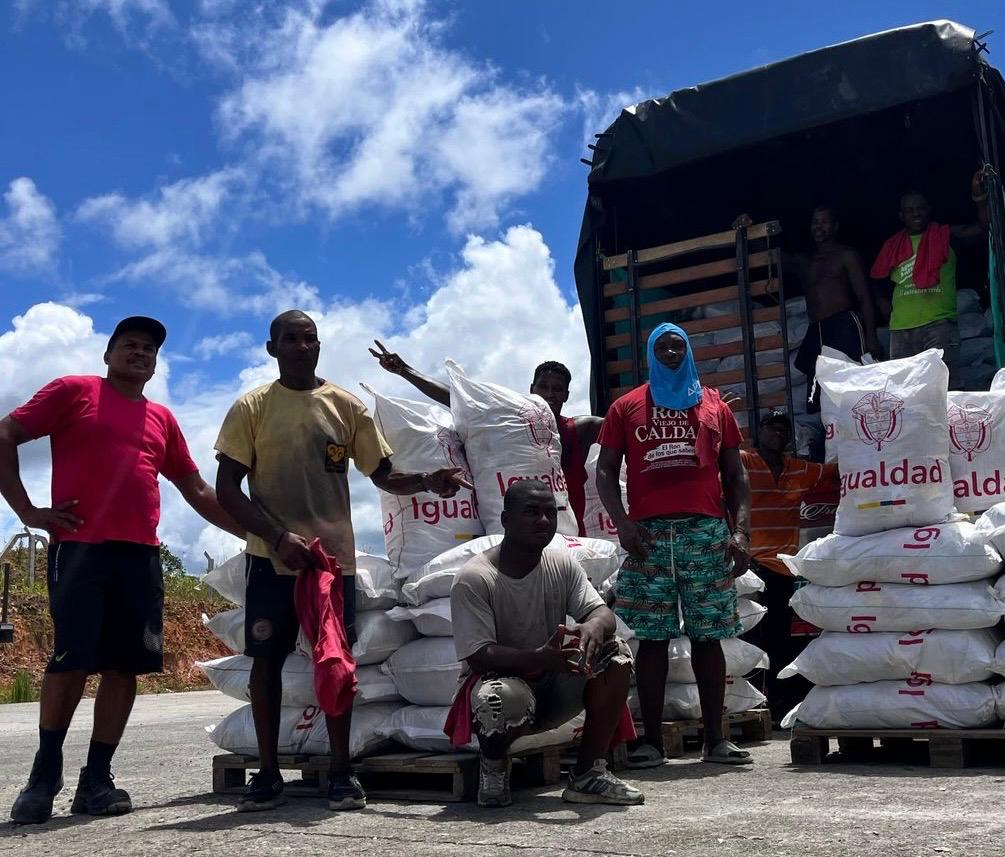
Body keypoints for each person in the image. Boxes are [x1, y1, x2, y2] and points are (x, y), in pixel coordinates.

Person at [215, 311, 468, 813]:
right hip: (271, 561)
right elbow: (228, 490)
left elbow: (383, 474)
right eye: (291, 339)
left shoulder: (346, 408)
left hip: (335, 566)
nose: (302, 346)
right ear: (272, 349)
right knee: (265, 663)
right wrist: (277, 536)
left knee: (337, 664)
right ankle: (266, 774)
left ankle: (340, 773)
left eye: (310, 338)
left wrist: (426, 481)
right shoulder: (252, 407)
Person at [3, 316, 245, 825]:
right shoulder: (75, 391)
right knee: (69, 662)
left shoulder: (162, 418)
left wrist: (257, 533)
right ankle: (43, 776)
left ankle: (97, 778)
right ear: (109, 355)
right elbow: (5, 434)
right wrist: (28, 512)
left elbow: (197, 491)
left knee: (125, 667)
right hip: (81, 550)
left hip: (140, 556)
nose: (141, 353)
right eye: (131, 345)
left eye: (150, 350)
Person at [595, 322, 753, 768]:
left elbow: (736, 474)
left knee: (709, 635)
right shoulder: (626, 407)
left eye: (677, 345)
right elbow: (605, 469)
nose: (669, 351)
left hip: (704, 532)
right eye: (661, 345)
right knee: (651, 637)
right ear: (650, 353)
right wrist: (622, 523)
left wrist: (740, 532)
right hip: (647, 535)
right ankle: (651, 744)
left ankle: (716, 740)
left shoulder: (713, 406)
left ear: (688, 352)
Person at [448, 479, 642, 807]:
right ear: (506, 520)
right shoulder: (476, 578)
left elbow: (600, 612)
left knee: (615, 652)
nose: (544, 521)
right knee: (493, 699)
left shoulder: (561, 563)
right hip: (507, 685)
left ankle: (587, 774)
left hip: (555, 682)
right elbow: (480, 657)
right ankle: (493, 765)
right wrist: (540, 658)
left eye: (550, 513)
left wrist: (593, 627)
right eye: (532, 513)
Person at [368, 344, 601, 533]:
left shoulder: (579, 429)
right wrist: (404, 370)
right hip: (514, 539)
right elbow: (457, 398)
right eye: (544, 387)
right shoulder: (509, 425)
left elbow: (625, 420)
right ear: (532, 389)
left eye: (558, 389)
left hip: (568, 538)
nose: (550, 394)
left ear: (567, 395)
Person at [738, 411, 838, 722]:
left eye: (783, 429)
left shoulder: (799, 469)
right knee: (751, 638)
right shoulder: (744, 461)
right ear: (759, 434)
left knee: (780, 639)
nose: (778, 433)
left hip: (783, 569)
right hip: (750, 567)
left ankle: (778, 705)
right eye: (771, 428)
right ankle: (753, 704)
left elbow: (836, 472)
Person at [869, 171, 989, 389]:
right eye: (909, 210)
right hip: (901, 330)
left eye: (920, 208)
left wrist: (978, 197)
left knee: (944, 389)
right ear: (901, 215)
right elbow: (876, 277)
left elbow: (982, 229)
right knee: (906, 395)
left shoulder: (945, 235)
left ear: (929, 210)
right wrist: (882, 302)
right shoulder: (892, 245)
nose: (916, 214)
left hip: (939, 326)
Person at [792, 205, 881, 409]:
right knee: (818, 390)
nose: (819, 226)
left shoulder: (846, 255)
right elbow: (772, 255)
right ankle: (827, 437)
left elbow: (864, 297)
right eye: (815, 222)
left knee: (851, 385)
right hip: (817, 328)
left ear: (835, 226)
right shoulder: (806, 261)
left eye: (824, 221)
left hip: (844, 325)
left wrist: (871, 335)